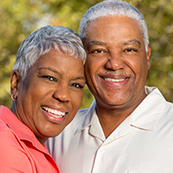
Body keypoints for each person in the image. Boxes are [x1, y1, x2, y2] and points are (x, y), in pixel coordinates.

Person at [47, 0, 173, 173]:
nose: (114, 64)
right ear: (82, 58)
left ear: (147, 55)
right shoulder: (57, 133)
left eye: (129, 49)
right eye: (98, 50)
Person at [0, 25, 86, 173]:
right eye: (50, 78)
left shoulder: (36, 147)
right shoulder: (5, 144)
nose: (63, 95)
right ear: (16, 83)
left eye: (76, 85)